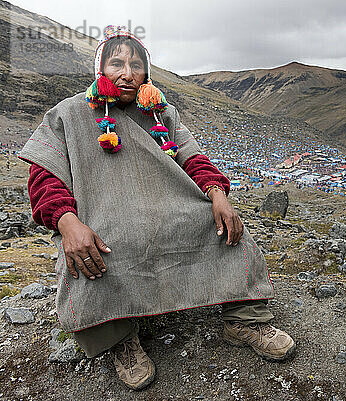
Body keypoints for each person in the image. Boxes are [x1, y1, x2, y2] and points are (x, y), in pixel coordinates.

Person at [18, 26, 295, 391]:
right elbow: (44, 178)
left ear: (147, 72)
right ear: (100, 68)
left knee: (227, 231)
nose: (127, 73)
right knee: (91, 257)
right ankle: (120, 342)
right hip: (104, 222)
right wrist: (68, 223)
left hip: (171, 212)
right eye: (116, 63)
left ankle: (243, 319)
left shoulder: (161, 112)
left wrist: (217, 194)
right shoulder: (67, 115)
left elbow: (193, 158)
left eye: (137, 65)